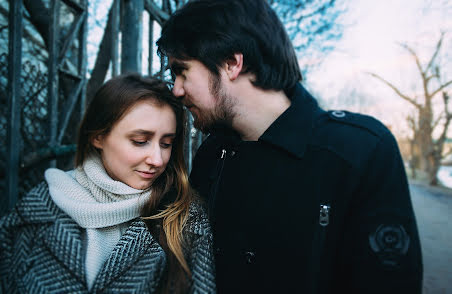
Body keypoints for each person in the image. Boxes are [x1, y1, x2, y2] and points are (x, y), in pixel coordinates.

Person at [156, 0, 423, 293]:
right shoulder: (211, 155)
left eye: (182, 72)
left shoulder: (360, 150)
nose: (177, 90)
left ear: (232, 64)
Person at [0, 73, 216, 293]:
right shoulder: (36, 209)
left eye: (167, 143)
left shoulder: (186, 221)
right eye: (140, 141)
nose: (157, 160)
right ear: (98, 137)